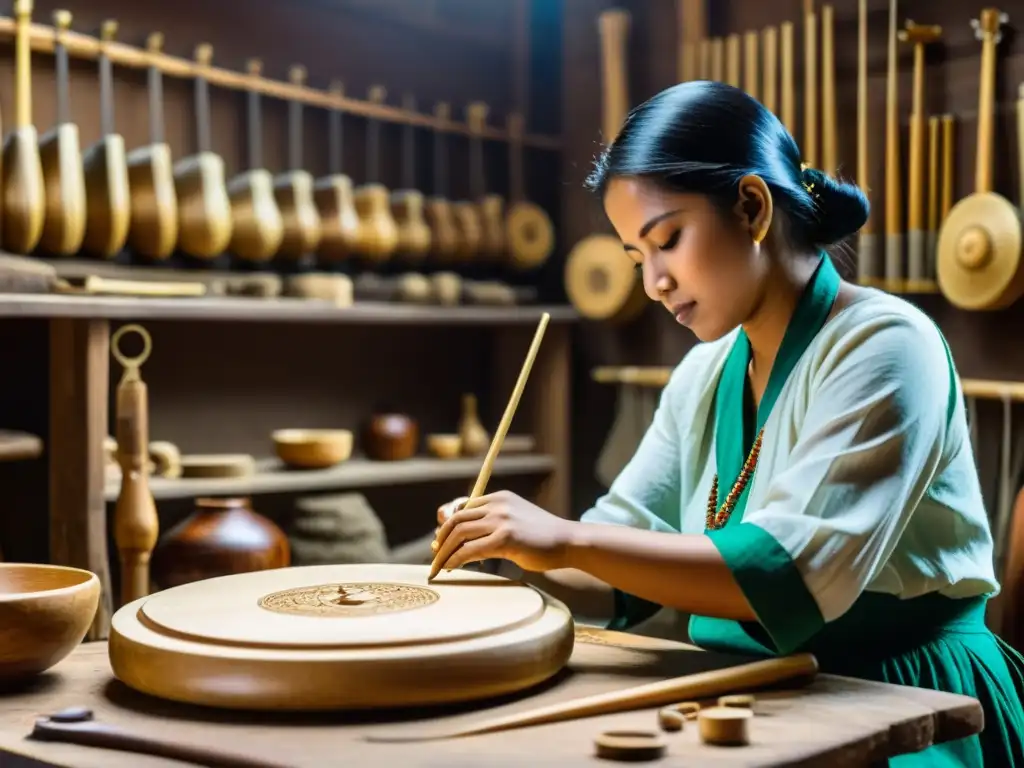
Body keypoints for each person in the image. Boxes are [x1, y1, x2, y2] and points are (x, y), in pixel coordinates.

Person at [431, 81, 1024, 766]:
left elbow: (793, 573)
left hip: (900, 694)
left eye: (667, 240)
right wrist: (514, 550)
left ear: (751, 205)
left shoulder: (890, 345)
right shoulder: (704, 373)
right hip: (753, 688)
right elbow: (623, 560)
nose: (651, 281)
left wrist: (562, 538)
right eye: (635, 257)